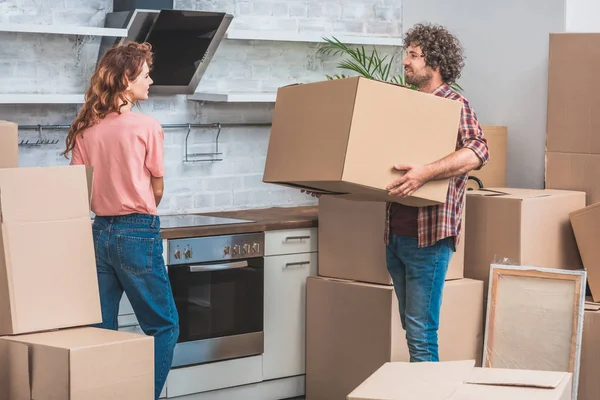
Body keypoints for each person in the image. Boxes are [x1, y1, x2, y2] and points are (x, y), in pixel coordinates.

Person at [62, 42, 179, 399]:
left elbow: (76, 189)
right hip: (137, 231)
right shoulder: (147, 127)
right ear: (127, 80)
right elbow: (157, 187)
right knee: (164, 326)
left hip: (100, 233)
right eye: (145, 74)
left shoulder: (85, 129)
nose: (150, 79)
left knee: (101, 329)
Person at [385, 22, 489, 362]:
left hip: (428, 239)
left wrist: (426, 173)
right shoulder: (407, 105)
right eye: (407, 55)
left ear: (436, 63)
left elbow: (478, 151)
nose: (406, 62)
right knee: (410, 327)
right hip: (397, 236)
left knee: (420, 335)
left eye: (414, 56)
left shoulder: (454, 104)